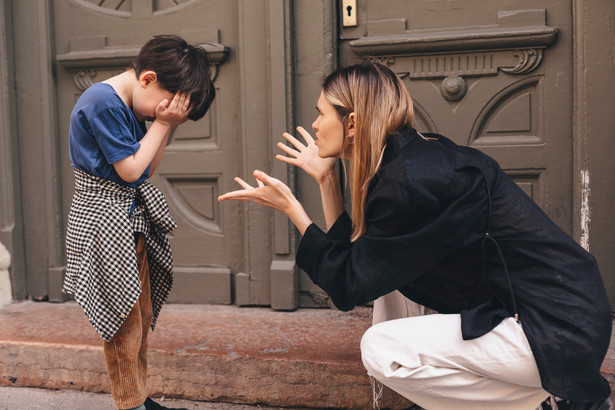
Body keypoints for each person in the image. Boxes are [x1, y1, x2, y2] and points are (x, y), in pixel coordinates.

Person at [218, 60, 612, 410]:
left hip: (554, 330)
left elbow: (347, 284)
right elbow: (361, 272)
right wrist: (327, 181)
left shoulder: (407, 183)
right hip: (546, 313)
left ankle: (550, 399)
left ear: (352, 122)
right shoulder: (411, 161)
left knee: (380, 349)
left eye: (321, 114)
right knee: (388, 284)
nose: (316, 124)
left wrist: (295, 212)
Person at [63, 35, 215, 410]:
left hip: (129, 220)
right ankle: (130, 404)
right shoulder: (102, 103)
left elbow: (147, 168)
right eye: (161, 109)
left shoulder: (133, 102)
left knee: (140, 315)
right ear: (147, 78)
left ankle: (138, 398)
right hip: (105, 223)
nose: (155, 117)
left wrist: (166, 124)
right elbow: (131, 171)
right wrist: (162, 124)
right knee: (123, 322)